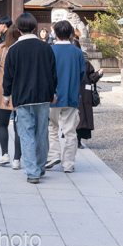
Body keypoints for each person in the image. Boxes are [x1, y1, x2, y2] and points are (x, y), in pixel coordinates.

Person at [2, 13, 57, 184]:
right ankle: (40, 167)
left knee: (25, 133)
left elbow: (8, 75)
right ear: (34, 27)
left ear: (18, 29)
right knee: (42, 132)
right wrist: (53, 92)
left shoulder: (13, 49)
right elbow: (53, 73)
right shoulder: (46, 47)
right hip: (42, 95)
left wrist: (6, 94)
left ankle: (32, 171)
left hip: (22, 96)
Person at [45, 21, 87, 173]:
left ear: (55, 33)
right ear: (70, 34)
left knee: (51, 127)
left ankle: (53, 155)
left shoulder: (50, 50)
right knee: (70, 131)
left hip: (53, 96)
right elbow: (82, 74)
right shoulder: (77, 52)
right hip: (71, 95)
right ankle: (68, 163)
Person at [0, 27, 22, 169]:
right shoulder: (23, 49)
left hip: (3, 88)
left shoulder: (3, 48)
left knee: (3, 123)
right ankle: (17, 159)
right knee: (19, 125)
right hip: (20, 89)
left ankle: (4, 154)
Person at [77, 58, 104, 148]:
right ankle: (75, 140)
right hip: (75, 93)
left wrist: (98, 74)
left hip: (84, 93)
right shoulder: (69, 62)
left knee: (82, 117)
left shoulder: (85, 63)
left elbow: (91, 77)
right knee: (74, 116)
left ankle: (78, 139)